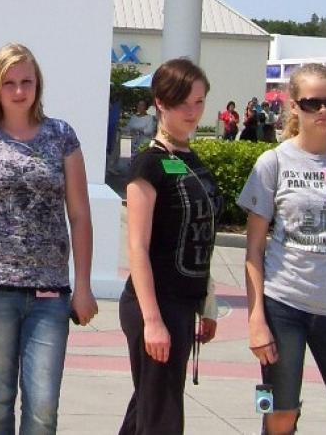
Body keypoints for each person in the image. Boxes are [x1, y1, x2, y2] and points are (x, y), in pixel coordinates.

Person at [0, 43, 98, 435]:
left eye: (26, 82)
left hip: (50, 294)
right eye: (9, 83)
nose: (19, 91)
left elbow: (80, 215)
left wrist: (83, 287)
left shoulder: (62, 136)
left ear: (38, 84)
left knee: (43, 408)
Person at [238, 63, 326, 435]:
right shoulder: (273, 163)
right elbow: (253, 251)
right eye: (312, 102)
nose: (323, 111)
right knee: (278, 414)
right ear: (293, 106)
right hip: (283, 307)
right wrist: (256, 322)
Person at [119, 58, 220, 434]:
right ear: (160, 102)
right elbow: (137, 248)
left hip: (185, 304)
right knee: (161, 419)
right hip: (155, 305)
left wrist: (207, 303)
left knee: (147, 411)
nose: (192, 112)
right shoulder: (150, 164)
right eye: (183, 103)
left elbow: (201, 235)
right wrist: (153, 321)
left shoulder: (190, 161)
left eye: (199, 102)